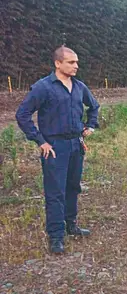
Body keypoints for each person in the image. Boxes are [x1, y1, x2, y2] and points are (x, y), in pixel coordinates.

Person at [15, 46, 100, 254]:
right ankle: (56, 236)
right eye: (71, 62)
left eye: (77, 62)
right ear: (58, 63)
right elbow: (22, 114)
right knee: (55, 192)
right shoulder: (43, 88)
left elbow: (94, 106)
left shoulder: (79, 87)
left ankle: (71, 225)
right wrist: (40, 141)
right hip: (54, 147)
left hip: (76, 144)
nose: (76, 66)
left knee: (73, 187)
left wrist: (90, 126)